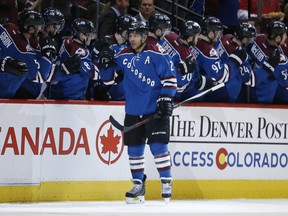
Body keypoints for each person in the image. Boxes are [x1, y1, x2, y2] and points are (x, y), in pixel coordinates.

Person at [100, 21, 177, 204]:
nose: (132, 39)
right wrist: (105, 63)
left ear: (144, 36)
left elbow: (171, 80)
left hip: (154, 111)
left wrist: (166, 98)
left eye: (136, 35)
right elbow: (108, 80)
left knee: (158, 148)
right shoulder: (123, 55)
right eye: (130, 35)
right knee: (134, 151)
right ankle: (138, 185)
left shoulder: (157, 54)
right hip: (133, 110)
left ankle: (166, 183)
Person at [190, 16, 248, 102]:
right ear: (210, 34)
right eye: (218, 33)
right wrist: (235, 61)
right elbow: (222, 76)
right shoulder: (209, 52)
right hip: (195, 93)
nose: (220, 36)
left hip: (188, 85)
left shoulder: (193, 41)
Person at [159, 19, 219, 102]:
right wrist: (200, 82)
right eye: (197, 36)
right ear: (190, 38)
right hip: (168, 94)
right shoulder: (187, 56)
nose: (198, 38)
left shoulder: (170, 36)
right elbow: (180, 86)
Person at [0, 9, 53, 99]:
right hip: (3, 93)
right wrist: (48, 52)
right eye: (38, 27)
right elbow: (41, 76)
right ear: (30, 29)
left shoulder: (9, 27)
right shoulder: (24, 52)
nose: (40, 30)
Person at [44, 18, 99, 100]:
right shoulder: (81, 53)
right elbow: (95, 75)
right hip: (70, 96)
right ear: (81, 35)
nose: (91, 38)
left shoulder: (67, 40)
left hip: (54, 90)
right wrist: (97, 55)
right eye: (90, 35)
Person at [88, 14, 137, 100]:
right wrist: (98, 86)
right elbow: (92, 66)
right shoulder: (104, 43)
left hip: (126, 96)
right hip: (105, 94)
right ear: (123, 30)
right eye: (130, 31)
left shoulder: (132, 46)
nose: (133, 35)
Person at [246, 20, 288, 103]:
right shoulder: (278, 59)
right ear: (278, 38)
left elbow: (248, 49)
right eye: (284, 34)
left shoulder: (259, 39)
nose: (286, 37)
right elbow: (286, 83)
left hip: (251, 89)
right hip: (263, 97)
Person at [215, 22, 257, 103]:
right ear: (244, 38)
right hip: (228, 92)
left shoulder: (226, 38)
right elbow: (246, 77)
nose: (250, 41)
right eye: (250, 38)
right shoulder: (243, 56)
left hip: (216, 85)